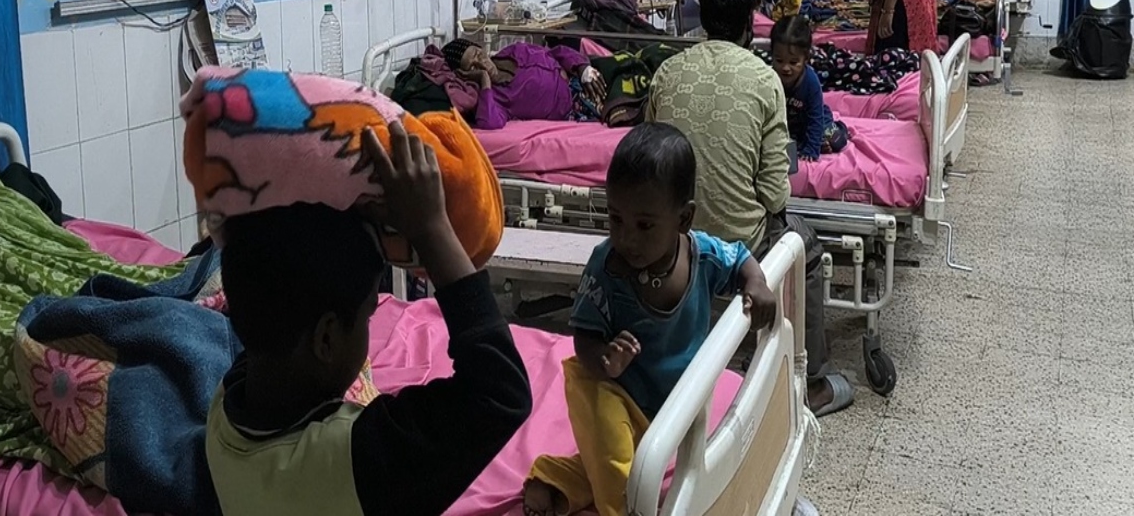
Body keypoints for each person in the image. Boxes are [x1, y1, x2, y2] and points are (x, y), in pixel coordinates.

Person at [206, 121, 533, 516]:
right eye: (367, 318)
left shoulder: (225, 411)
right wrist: (431, 228)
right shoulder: (350, 464)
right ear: (327, 339)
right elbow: (500, 395)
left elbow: (263, 250)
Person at [522, 123, 776, 516]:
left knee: (623, 464)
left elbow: (742, 259)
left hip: (667, 405)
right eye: (615, 219)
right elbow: (583, 336)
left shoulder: (703, 257)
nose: (627, 238)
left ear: (684, 219)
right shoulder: (606, 269)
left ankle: (554, 479)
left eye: (644, 225)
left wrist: (756, 282)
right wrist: (605, 359)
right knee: (615, 461)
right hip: (613, 390)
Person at [646, 0, 853, 417]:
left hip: (672, 236)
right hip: (738, 240)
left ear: (703, 16)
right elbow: (775, 193)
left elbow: (650, 153)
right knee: (806, 250)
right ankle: (810, 381)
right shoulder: (764, 80)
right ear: (748, 22)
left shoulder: (667, 72)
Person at [442, 37, 606, 129]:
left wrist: (583, 68)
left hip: (582, 76)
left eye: (479, 54)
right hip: (577, 108)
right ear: (466, 75)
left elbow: (556, 52)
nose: (481, 64)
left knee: (618, 69)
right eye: (472, 67)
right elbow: (490, 122)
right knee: (618, 108)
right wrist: (484, 81)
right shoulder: (496, 98)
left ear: (482, 49)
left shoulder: (514, 50)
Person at [770, 16, 848, 160]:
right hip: (791, 125)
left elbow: (815, 118)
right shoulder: (769, 77)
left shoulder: (811, 82)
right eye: (779, 60)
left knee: (836, 140)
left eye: (793, 62)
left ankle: (840, 127)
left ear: (806, 59)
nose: (785, 68)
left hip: (815, 119)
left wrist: (812, 149)